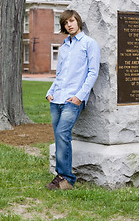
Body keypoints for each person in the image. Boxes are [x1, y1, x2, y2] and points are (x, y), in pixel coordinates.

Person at [46, 10, 100, 190]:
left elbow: (93, 72)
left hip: (73, 99)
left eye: (72, 21)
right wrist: (50, 91)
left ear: (78, 21)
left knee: (63, 133)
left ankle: (66, 178)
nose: (69, 25)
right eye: (66, 23)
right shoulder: (64, 47)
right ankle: (60, 176)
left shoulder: (89, 44)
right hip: (57, 98)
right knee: (59, 136)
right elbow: (59, 74)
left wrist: (79, 96)